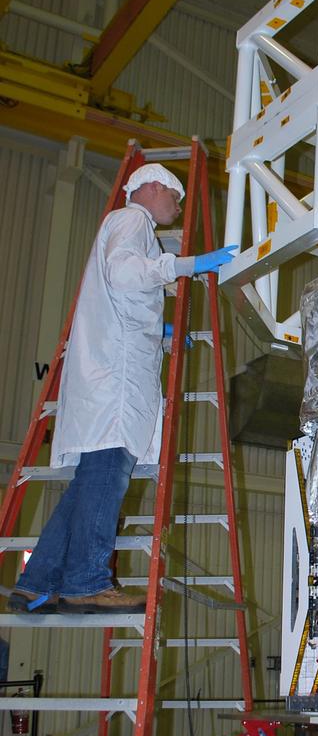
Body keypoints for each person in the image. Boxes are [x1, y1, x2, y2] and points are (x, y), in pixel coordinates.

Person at [9, 163, 237, 615]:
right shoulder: (133, 220)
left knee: (87, 486)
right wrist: (190, 265)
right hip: (114, 383)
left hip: (108, 374)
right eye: (175, 195)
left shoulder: (126, 227)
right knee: (106, 480)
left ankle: (37, 581)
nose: (179, 205)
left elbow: (125, 294)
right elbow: (126, 275)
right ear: (152, 187)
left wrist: (163, 326)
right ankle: (87, 582)